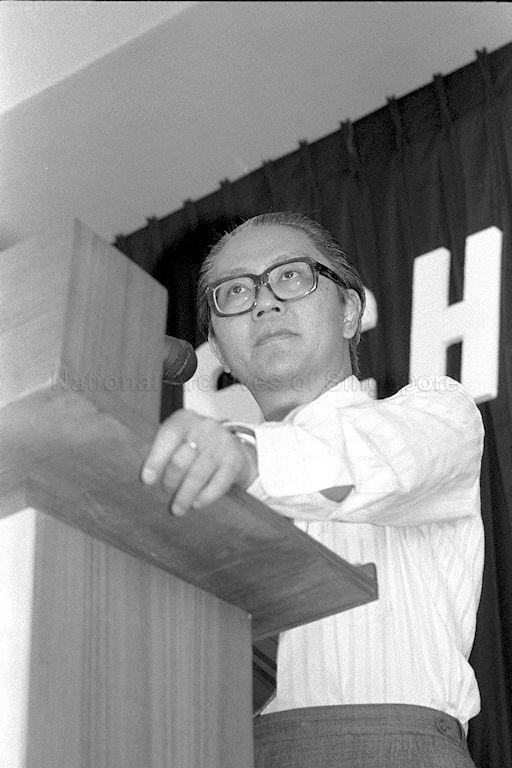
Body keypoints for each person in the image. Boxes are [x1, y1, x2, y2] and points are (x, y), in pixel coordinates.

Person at [141, 212, 484, 767]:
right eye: (234, 291)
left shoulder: (436, 411)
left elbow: (378, 459)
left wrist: (248, 457)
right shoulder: (205, 484)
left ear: (350, 311)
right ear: (220, 353)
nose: (264, 302)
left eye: (292, 276)